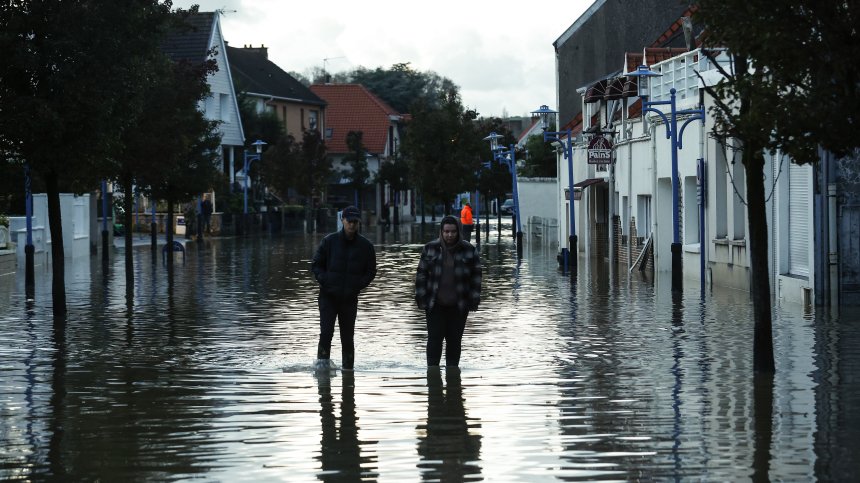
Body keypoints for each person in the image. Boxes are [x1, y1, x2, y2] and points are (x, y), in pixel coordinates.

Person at [311, 205, 377, 370]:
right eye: (349, 221)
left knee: (347, 338)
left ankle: (348, 372)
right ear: (342, 220)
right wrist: (325, 280)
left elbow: (371, 271)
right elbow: (316, 265)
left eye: (355, 221)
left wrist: (358, 286)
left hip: (349, 298)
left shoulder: (366, 246)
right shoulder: (329, 241)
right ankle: (322, 369)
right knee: (326, 333)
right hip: (328, 296)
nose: (352, 225)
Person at [415, 215, 481, 367]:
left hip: (459, 304)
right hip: (434, 303)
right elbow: (421, 274)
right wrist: (421, 298)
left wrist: (473, 300)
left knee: (455, 340)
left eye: (453, 231)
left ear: (458, 232)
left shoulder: (469, 250)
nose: (449, 235)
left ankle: (453, 377)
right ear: (441, 232)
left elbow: (476, 277)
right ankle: (432, 375)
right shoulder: (430, 248)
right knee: (434, 339)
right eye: (446, 231)